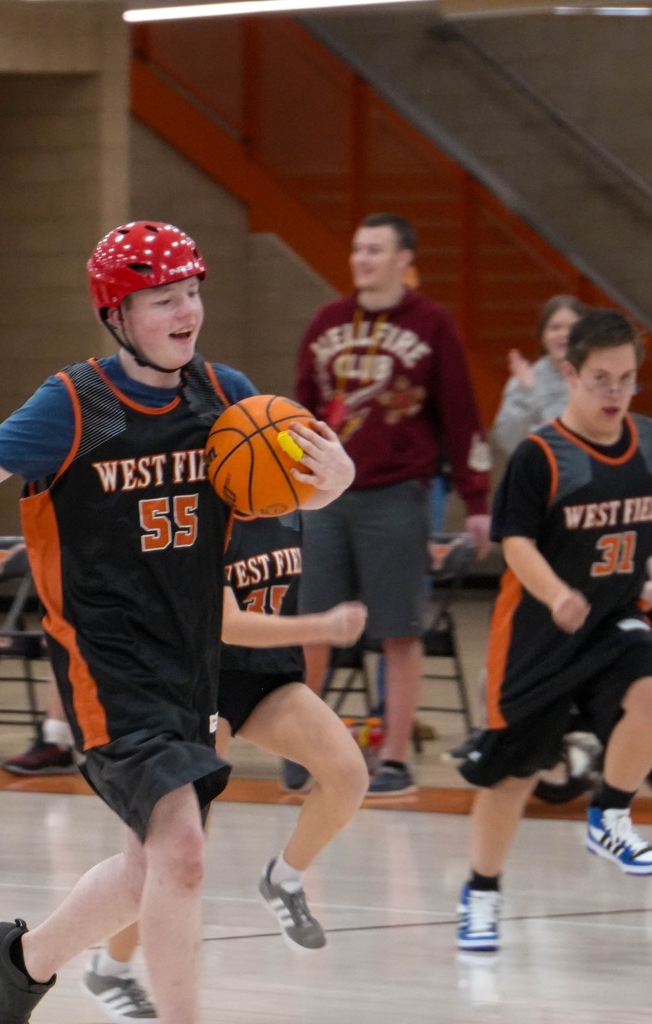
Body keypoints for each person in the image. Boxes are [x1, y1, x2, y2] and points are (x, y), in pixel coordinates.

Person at [0, 221, 356, 1024]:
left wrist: (336, 477)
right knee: (181, 851)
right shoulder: (77, 405)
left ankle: (23, 959)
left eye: (192, 294)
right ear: (117, 313)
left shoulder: (227, 397)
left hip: (192, 661)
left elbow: (293, 491)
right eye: (163, 300)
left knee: (151, 867)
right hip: (106, 663)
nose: (186, 312)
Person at [12, 513, 369, 1022]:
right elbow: (227, 621)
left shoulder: (288, 501)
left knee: (349, 775)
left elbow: (332, 473)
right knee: (173, 853)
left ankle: (285, 877)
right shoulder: (210, 507)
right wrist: (325, 627)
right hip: (198, 684)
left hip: (266, 676)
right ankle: (110, 968)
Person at [456, 307, 652, 953]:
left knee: (649, 687)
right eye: (601, 378)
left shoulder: (647, 442)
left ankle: (611, 813)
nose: (616, 393)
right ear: (568, 373)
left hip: (615, 624)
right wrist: (556, 593)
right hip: (539, 637)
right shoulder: (542, 457)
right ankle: (481, 892)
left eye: (627, 378)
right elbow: (515, 545)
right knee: (511, 779)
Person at [294, 211, 492, 797]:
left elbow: (462, 414)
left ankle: (396, 760)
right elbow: (299, 411)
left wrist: (476, 500)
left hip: (398, 493)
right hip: (325, 497)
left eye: (375, 250)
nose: (362, 259)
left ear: (405, 258)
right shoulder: (328, 320)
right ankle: (305, 752)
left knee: (399, 630)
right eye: (358, 249)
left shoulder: (433, 324)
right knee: (313, 627)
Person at [491, 294, 585, 457]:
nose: (563, 334)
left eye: (572, 328)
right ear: (543, 335)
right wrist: (527, 393)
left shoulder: (596, 379)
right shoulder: (523, 380)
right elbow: (506, 441)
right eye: (555, 328)